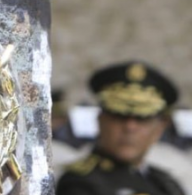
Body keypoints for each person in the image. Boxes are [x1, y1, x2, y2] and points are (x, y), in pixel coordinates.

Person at [56, 60, 186, 195]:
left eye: (142, 119)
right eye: (119, 116)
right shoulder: (80, 182)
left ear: (159, 129)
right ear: (100, 120)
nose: (130, 127)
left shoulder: (163, 181)